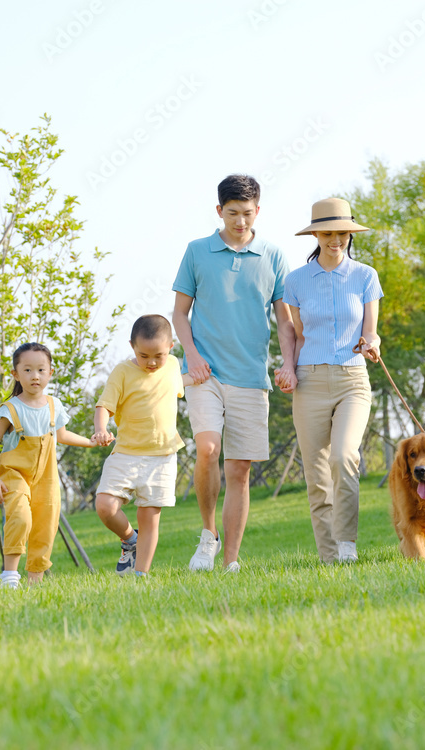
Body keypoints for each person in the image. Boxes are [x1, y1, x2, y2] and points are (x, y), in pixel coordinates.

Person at [172, 174, 295, 573]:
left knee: (239, 471)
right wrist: (191, 356)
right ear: (219, 211)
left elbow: (285, 320)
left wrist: (288, 362)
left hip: (251, 375)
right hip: (204, 373)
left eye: (246, 214)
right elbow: (179, 313)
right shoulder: (196, 251)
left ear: (258, 211)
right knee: (208, 450)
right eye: (232, 214)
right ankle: (208, 535)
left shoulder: (274, 255)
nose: (240, 221)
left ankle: (230, 561)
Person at [277, 197, 383, 564]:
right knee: (317, 475)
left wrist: (371, 344)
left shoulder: (365, 276)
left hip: (353, 378)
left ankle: (347, 546)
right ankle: (328, 557)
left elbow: (371, 330)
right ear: (316, 234)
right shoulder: (295, 282)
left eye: (341, 233)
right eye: (327, 233)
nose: (335, 240)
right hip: (309, 381)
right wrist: (287, 368)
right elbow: (294, 334)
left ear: (349, 234)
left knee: (343, 456)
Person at [0, 343, 104, 588]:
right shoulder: (10, 409)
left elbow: (62, 435)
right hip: (14, 474)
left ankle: (34, 583)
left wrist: (90, 443)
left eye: (40, 369)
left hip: (46, 477)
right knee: (20, 518)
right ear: (16, 374)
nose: (35, 376)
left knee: (45, 525)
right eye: (27, 370)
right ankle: (9, 578)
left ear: (50, 372)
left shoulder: (53, 405)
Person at [92, 315, 192, 576]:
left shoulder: (172, 365)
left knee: (149, 518)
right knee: (105, 505)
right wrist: (101, 429)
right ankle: (129, 539)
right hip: (126, 453)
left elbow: (180, 384)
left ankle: (141, 576)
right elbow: (104, 405)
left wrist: (204, 375)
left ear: (171, 346)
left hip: (162, 456)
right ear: (132, 346)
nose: (151, 362)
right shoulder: (123, 372)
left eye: (157, 355)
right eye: (143, 355)